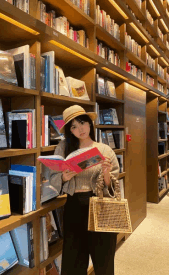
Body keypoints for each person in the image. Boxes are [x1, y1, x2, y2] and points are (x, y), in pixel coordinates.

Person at [49, 105, 120, 275]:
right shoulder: (63, 148)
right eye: (73, 126)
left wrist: (106, 175)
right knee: (73, 264)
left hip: (100, 206)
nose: (79, 129)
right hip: (73, 208)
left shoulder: (104, 150)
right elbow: (52, 179)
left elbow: (114, 189)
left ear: (89, 123)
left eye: (82, 123)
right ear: (69, 131)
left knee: (103, 262)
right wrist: (64, 177)